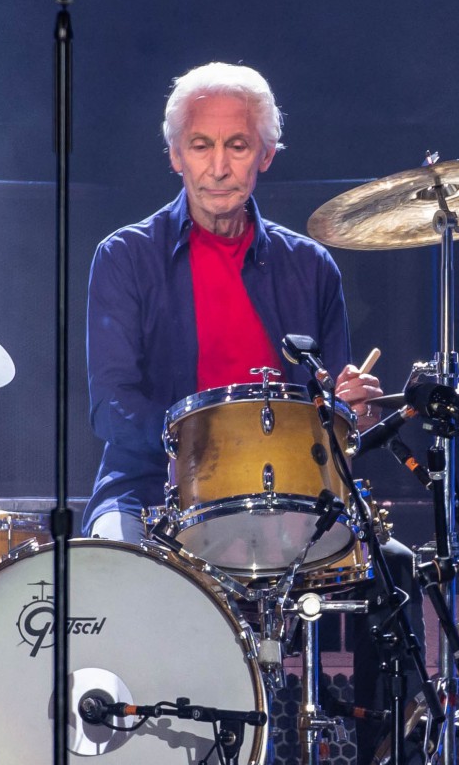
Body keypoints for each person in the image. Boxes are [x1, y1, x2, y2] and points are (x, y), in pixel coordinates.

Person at [84, 62, 382, 539]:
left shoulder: (311, 266)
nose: (219, 168)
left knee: (395, 570)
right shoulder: (125, 256)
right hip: (147, 491)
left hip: (285, 493)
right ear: (176, 155)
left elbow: (334, 418)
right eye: (201, 146)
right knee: (115, 563)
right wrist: (201, 446)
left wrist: (354, 414)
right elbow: (111, 405)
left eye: (237, 146)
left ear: (264, 155)